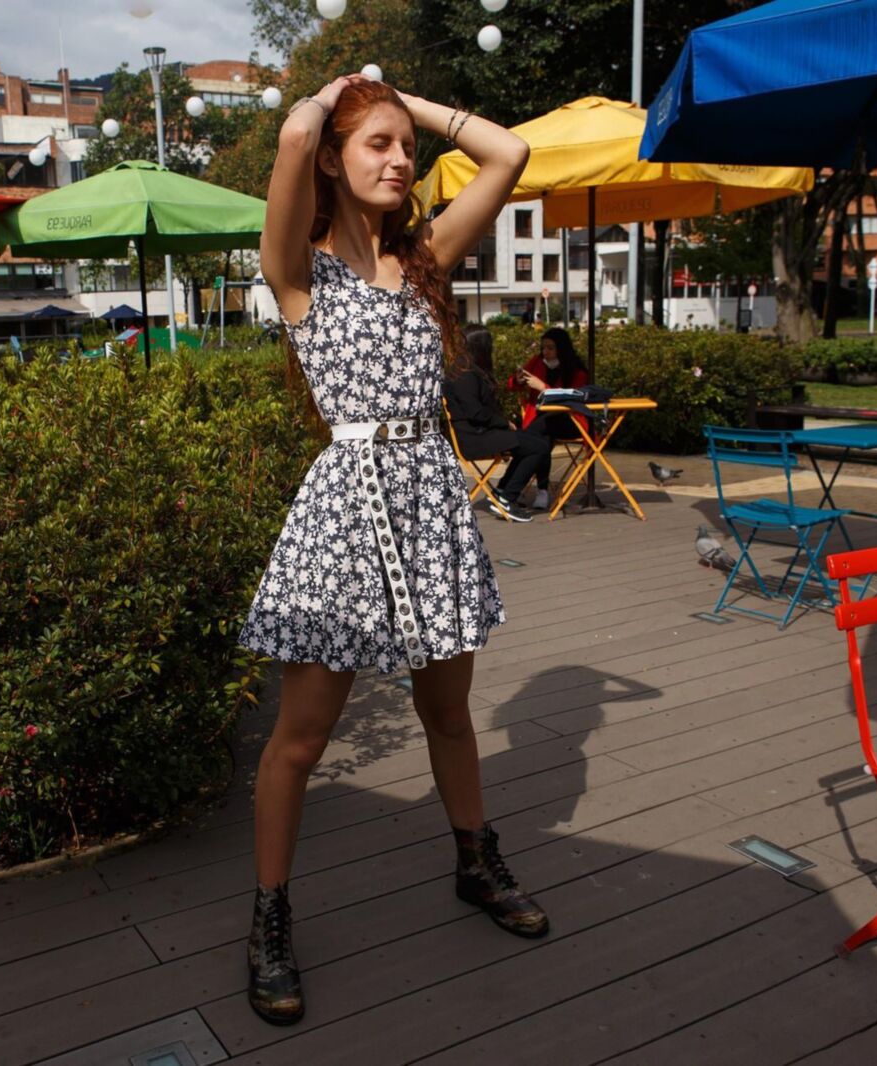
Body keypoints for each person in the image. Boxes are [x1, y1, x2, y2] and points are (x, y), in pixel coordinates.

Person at [239, 74, 545, 1026]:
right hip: (345, 514)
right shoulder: (297, 272)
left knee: (449, 712)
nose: (401, 159)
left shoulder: (425, 261)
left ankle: (473, 861)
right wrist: (334, 96)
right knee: (300, 739)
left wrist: (410, 103)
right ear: (336, 157)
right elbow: (291, 142)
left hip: (427, 507)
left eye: (405, 146)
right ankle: (270, 919)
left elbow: (509, 154)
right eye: (377, 144)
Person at [443, 325, 550, 521]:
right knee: (538, 447)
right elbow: (475, 412)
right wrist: (504, 424)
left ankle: (502, 492)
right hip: (475, 438)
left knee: (535, 441)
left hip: (482, 432)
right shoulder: (464, 374)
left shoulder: (465, 369)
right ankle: (507, 497)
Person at [508, 326, 590, 510]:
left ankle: (514, 488)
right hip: (540, 420)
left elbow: (571, 399)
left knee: (534, 436)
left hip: (569, 420)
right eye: (543, 347)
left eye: (550, 348)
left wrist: (543, 387)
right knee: (541, 439)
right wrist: (519, 380)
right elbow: (512, 384)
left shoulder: (576, 371)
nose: (546, 352)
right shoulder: (537, 362)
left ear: (561, 349)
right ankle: (540, 490)